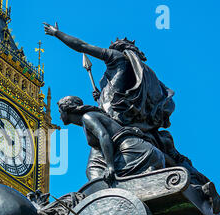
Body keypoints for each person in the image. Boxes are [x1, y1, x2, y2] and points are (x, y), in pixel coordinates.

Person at [44, 22, 175, 133]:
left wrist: (57, 33)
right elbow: (116, 94)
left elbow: (82, 46)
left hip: (116, 119)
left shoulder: (115, 57)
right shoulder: (133, 72)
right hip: (125, 117)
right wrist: (101, 97)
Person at [57, 96, 165, 183]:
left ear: (66, 110)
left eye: (59, 112)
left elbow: (104, 136)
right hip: (145, 152)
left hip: (135, 152)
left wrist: (110, 166)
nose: (59, 116)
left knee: (103, 183)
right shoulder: (91, 117)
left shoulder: (87, 117)